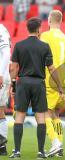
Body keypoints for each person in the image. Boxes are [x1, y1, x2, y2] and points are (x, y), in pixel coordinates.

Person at [9, 17, 63, 159]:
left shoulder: (19, 45)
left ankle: (16, 151)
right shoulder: (44, 46)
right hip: (39, 83)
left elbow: (14, 68)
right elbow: (51, 68)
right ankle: (41, 152)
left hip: (23, 82)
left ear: (27, 29)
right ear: (39, 29)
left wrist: (13, 84)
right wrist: (59, 85)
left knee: (19, 116)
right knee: (40, 117)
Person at [40, 10, 65, 157]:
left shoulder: (45, 36)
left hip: (49, 79)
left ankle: (55, 142)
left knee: (45, 111)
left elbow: (40, 56)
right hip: (63, 81)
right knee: (56, 114)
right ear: (61, 21)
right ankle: (60, 145)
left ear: (49, 20)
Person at [0, 24, 11, 156]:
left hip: (1, 75)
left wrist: (1, 74)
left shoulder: (0, 29)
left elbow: (6, 52)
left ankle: (2, 145)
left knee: (0, 110)